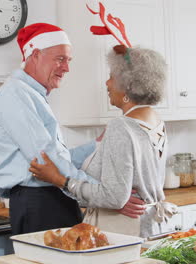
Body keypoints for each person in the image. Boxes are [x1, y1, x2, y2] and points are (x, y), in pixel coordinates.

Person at [0, 23, 144, 235]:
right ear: (35, 55)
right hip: (39, 204)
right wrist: (106, 196)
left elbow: (59, 158)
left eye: (68, 60)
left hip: (58, 196)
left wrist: (98, 144)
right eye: (60, 59)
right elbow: (45, 160)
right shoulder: (15, 95)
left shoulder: (32, 95)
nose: (66, 68)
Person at [30, 44, 173, 238]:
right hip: (152, 228)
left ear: (128, 85)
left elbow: (113, 197)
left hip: (124, 233)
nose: (107, 83)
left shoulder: (121, 126)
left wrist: (59, 179)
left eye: (112, 77)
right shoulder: (155, 120)